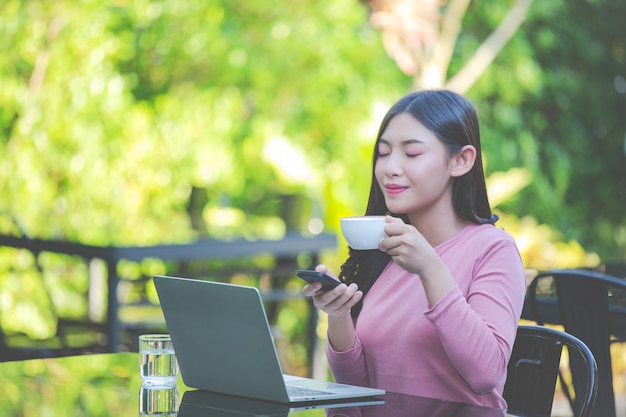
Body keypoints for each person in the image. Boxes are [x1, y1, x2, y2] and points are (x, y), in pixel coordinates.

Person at [303, 89, 526, 409]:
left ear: (461, 160)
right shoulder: (384, 252)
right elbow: (358, 394)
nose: (390, 167)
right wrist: (339, 317)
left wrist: (430, 268)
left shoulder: (492, 250)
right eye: (383, 153)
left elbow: (485, 373)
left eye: (411, 153)